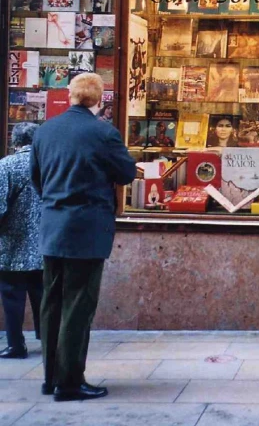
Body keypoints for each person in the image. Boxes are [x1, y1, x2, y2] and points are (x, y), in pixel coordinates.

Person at [30, 73, 136, 402]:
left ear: (71, 95)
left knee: (52, 302)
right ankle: (71, 382)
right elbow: (127, 173)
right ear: (99, 98)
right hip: (87, 229)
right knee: (78, 305)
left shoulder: (45, 131)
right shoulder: (103, 133)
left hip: (52, 226)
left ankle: (51, 377)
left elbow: (37, 178)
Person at [0, 123, 42, 359]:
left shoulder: (6, 165)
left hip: (12, 245)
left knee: (12, 295)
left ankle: (16, 344)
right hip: (44, 242)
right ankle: (48, 339)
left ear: (15, 142)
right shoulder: (47, 165)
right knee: (43, 294)